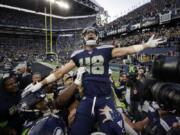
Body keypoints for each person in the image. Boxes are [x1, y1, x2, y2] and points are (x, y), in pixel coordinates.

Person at [22, 27, 165, 135]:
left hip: (105, 99)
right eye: (87, 33)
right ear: (83, 38)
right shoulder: (78, 55)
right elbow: (60, 72)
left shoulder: (106, 50)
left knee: (114, 131)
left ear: (97, 37)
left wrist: (145, 46)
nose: (91, 34)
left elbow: (126, 50)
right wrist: (41, 83)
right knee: (77, 131)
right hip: (87, 99)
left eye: (94, 33)